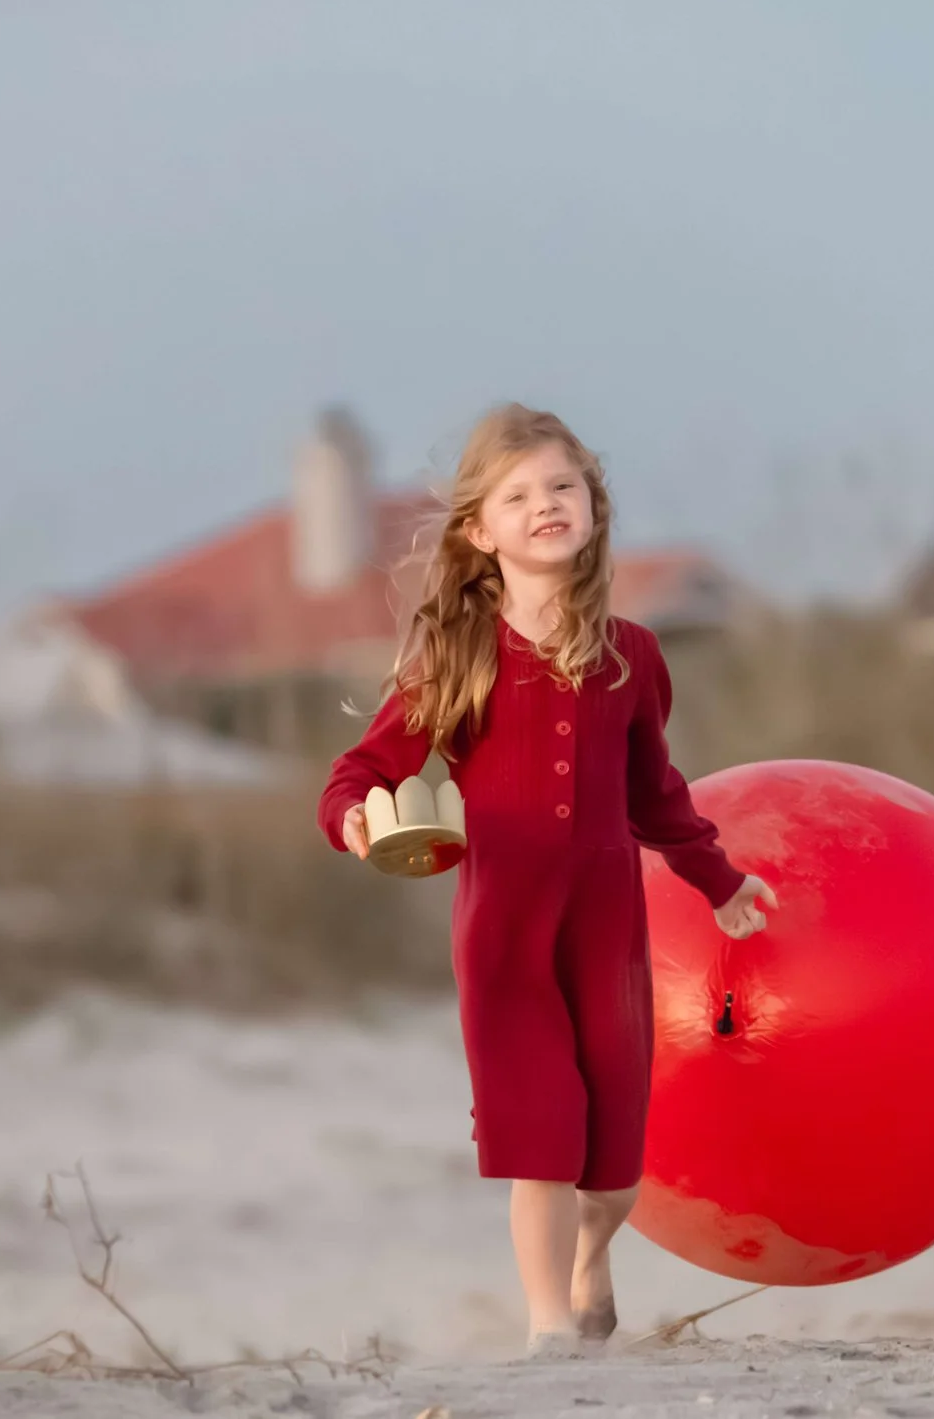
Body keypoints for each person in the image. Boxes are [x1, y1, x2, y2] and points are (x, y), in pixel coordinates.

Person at [319, 403, 776, 1354]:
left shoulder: (634, 657)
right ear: (480, 533)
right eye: (518, 494)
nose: (545, 505)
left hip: (607, 933)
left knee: (611, 1174)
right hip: (504, 935)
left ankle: (589, 1256)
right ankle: (548, 1332)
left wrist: (718, 880)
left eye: (563, 486)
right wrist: (357, 819)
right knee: (542, 1142)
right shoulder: (457, 654)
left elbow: (657, 795)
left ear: (594, 509)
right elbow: (357, 771)